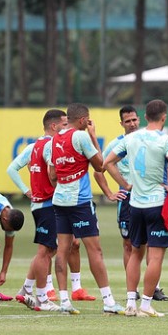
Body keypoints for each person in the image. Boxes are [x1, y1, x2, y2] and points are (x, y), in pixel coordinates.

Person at [7, 109, 96, 311]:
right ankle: (42, 298)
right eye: (64, 124)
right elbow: (52, 171)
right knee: (45, 251)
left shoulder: (33, 146)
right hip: (48, 203)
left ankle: (25, 290)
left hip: (38, 204)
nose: (67, 128)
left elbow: (12, 168)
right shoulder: (51, 145)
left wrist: (26, 190)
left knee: (50, 249)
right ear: (54, 126)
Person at [104, 99, 168, 318]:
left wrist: (126, 184)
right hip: (157, 204)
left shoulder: (130, 138)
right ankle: (146, 305)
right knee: (155, 257)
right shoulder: (166, 140)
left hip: (134, 204)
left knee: (135, 254)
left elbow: (106, 163)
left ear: (144, 117)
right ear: (164, 117)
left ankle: (130, 302)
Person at [50, 103, 126, 315]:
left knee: (62, 249)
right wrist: (93, 136)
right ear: (83, 120)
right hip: (80, 202)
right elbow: (101, 165)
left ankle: (64, 301)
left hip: (59, 200)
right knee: (95, 250)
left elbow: (52, 175)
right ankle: (109, 301)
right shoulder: (81, 137)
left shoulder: (55, 139)